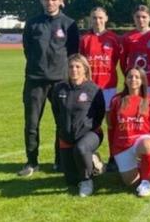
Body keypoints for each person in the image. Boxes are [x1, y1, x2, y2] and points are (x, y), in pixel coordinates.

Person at [19, 0, 79, 177]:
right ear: (41, 0)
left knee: (62, 123)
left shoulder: (69, 24)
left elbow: (73, 53)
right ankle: (32, 162)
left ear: (61, 1)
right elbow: (27, 49)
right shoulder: (32, 24)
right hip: (35, 81)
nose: (50, 3)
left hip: (60, 82)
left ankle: (59, 161)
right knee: (31, 123)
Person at [53, 54, 105, 197]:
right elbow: (57, 112)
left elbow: (100, 114)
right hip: (66, 137)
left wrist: (86, 129)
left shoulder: (93, 90)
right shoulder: (59, 89)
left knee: (81, 148)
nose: (74, 70)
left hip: (90, 134)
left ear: (85, 69)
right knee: (71, 180)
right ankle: (93, 161)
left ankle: (87, 181)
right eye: (71, 67)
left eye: (78, 66)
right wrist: (65, 131)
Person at [79, 7, 121, 170]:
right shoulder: (85, 39)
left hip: (108, 88)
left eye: (100, 17)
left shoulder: (114, 39)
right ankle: (90, 156)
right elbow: (81, 63)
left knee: (111, 123)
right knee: (89, 123)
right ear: (91, 19)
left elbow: (119, 61)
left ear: (106, 18)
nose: (97, 21)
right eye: (94, 17)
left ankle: (113, 157)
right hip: (89, 88)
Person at [108, 68, 150, 197]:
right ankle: (140, 164)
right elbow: (112, 125)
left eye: (137, 77)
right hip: (122, 144)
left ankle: (146, 182)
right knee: (130, 182)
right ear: (125, 80)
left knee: (148, 145)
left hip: (140, 139)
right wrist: (112, 153)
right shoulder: (116, 100)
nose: (133, 80)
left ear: (142, 80)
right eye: (130, 77)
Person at [120, 5, 150, 98]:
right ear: (133, 18)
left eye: (144, 17)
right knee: (133, 108)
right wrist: (129, 76)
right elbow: (122, 62)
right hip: (133, 82)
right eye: (137, 17)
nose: (141, 19)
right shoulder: (127, 37)